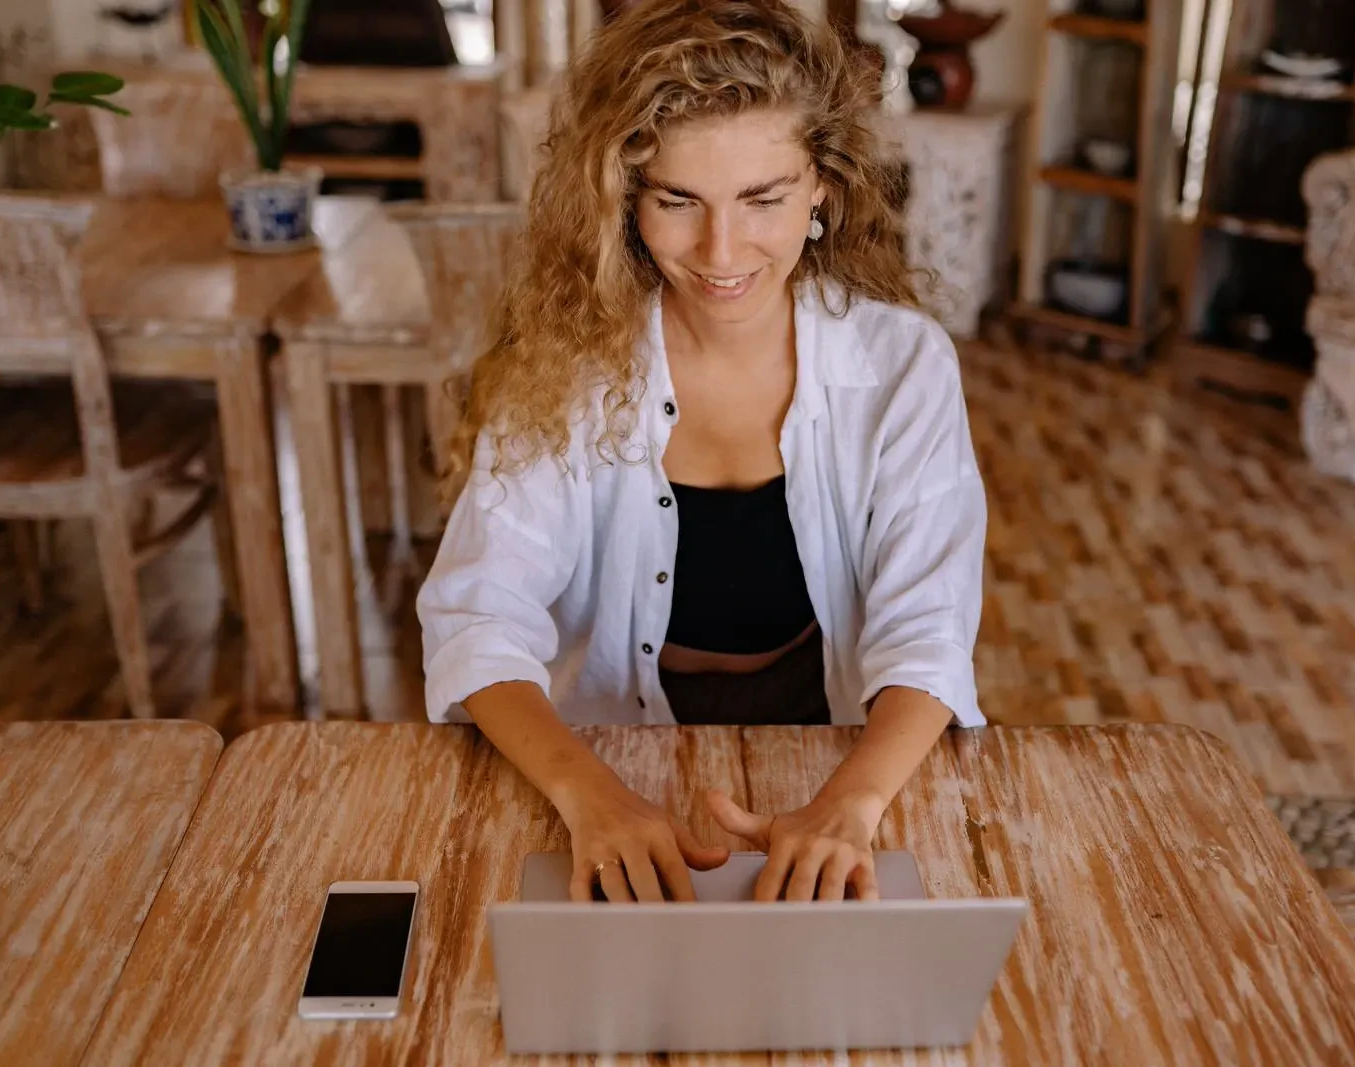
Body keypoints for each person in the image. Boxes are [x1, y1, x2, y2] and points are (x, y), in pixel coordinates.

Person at [417, 0, 987, 905]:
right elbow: (480, 615)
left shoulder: (903, 364)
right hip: (604, 748)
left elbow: (930, 628)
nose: (723, 252)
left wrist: (849, 803)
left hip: (839, 740)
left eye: (763, 199)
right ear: (624, 200)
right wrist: (591, 796)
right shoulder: (566, 364)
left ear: (821, 191)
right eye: (678, 201)